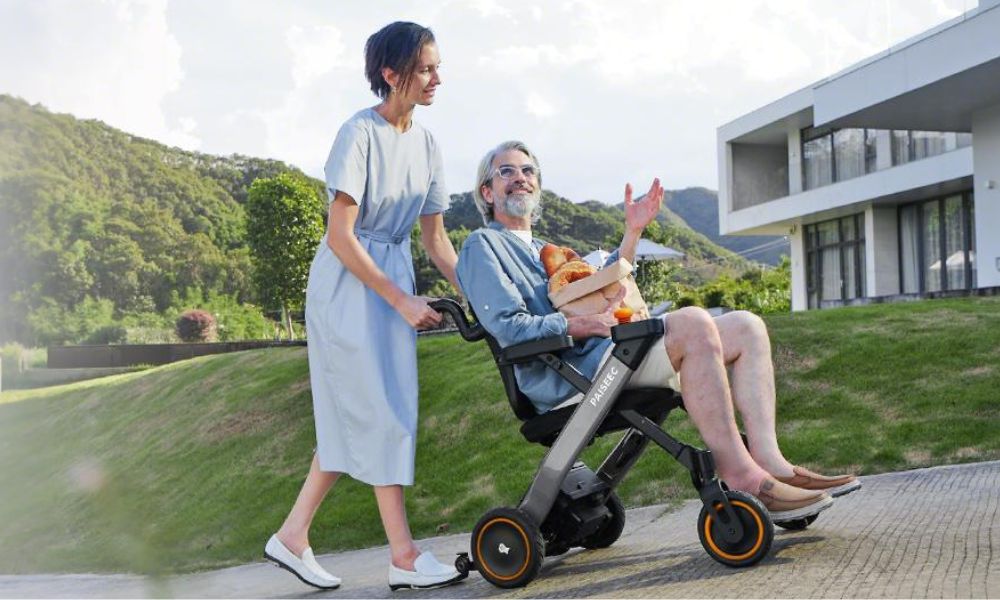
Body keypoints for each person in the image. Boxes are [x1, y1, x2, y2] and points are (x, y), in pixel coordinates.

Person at [456, 140, 860, 522]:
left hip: (607, 359)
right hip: (569, 377)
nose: (521, 177)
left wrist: (632, 233)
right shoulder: (481, 247)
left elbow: (603, 286)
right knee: (693, 321)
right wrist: (582, 324)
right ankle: (744, 478)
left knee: (747, 326)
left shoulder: (545, 247)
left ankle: (772, 464)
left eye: (529, 170)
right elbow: (510, 328)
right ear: (487, 192)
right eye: (506, 171)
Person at [263, 22, 463, 591]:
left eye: (436, 67)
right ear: (391, 74)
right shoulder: (358, 134)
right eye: (425, 68)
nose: (436, 79)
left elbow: (437, 241)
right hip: (348, 286)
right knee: (377, 410)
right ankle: (403, 556)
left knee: (365, 411)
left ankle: (293, 535)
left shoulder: (426, 143)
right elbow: (341, 237)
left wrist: (482, 292)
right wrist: (400, 299)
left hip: (392, 273)